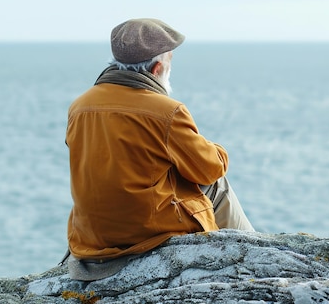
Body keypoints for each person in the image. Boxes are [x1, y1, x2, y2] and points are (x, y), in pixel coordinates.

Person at [64, 18, 253, 280]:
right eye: (170, 63)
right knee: (217, 184)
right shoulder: (165, 111)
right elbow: (210, 168)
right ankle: (254, 254)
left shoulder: (80, 106)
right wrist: (217, 149)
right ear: (157, 68)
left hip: (90, 236)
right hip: (142, 233)